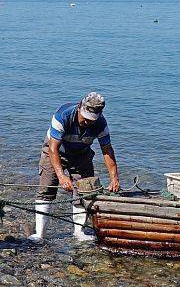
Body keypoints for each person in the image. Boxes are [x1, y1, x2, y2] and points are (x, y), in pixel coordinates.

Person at [29, 92, 120, 242]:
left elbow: (107, 150)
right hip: (56, 151)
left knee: (84, 191)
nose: (87, 123)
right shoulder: (62, 115)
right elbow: (53, 149)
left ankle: (79, 232)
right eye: (85, 119)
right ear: (79, 107)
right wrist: (61, 176)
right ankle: (40, 234)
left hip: (82, 153)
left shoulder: (101, 124)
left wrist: (114, 178)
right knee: (47, 190)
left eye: (91, 120)